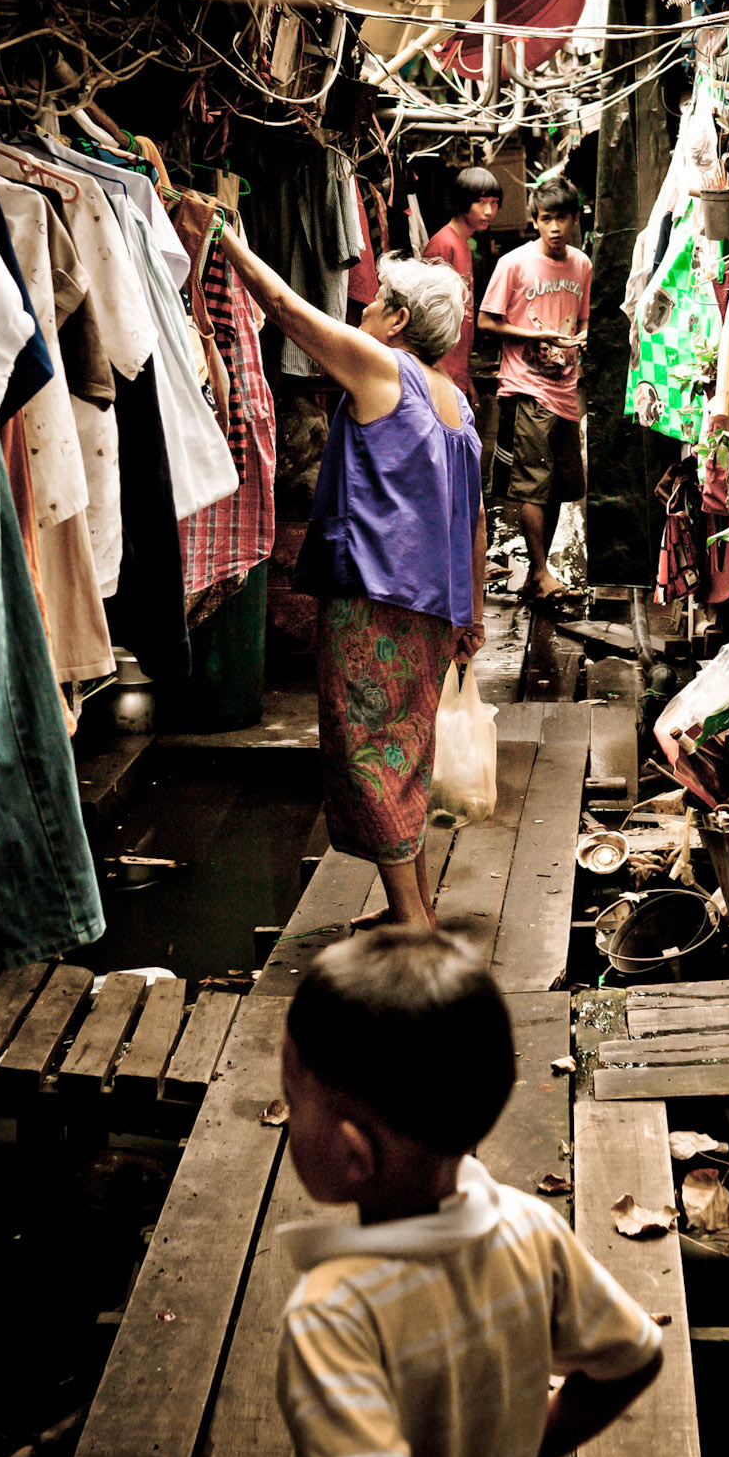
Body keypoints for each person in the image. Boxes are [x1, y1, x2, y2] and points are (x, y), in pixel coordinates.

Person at [276, 928, 664, 1457]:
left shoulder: (333, 1312)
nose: (288, 1122)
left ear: (353, 1154)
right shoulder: (531, 1228)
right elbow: (635, 1357)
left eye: (294, 1103)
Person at [218, 225, 486, 929]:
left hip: (375, 597)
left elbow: (284, 307)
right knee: (405, 749)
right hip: (433, 607)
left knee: (369, 749)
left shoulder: (383, 367)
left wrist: (224, 237)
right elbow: (475, 518)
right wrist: (473, 613)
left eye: (376, 300)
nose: (363, 307)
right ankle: (414, 908)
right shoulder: (455, 401)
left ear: (397, 319)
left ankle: (412, 922)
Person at [477, 175, 591, 602]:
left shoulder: (582, 265)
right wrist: (535, 336)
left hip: (565, 389)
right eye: (546, 219)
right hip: (525, 387)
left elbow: (582, 318)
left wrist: (581, 336)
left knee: (559, 484)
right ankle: (540, 572)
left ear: (575, 218)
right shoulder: (515, 264)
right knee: (532, 482)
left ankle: (537, 576)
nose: (554, 227)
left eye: (562, 218)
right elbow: (486, 321)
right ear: (534, 221)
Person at [422, 164, 503, 403]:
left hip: (456, 371)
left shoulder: (463, 244)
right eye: (481, 202)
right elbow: (427, 319)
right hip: (440, 371)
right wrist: (443, 375)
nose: (489, 211)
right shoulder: (442, 244)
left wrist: (465, 378)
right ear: (462, 201)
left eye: (494, 203)